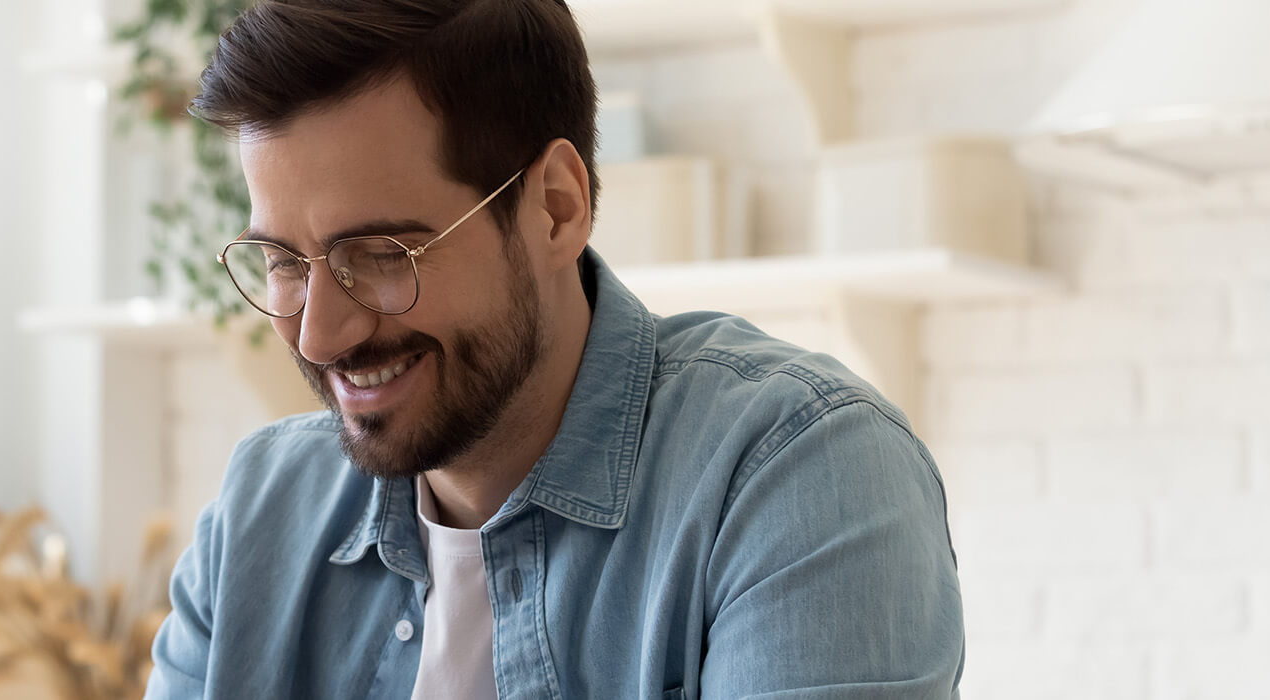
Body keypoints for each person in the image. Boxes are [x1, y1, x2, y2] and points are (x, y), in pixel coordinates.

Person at [145, 1, 965, 698]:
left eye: (383, 255)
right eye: (285, 263)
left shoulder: (799, 474)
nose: (320, 334)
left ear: (557, 208)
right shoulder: (260, 509)